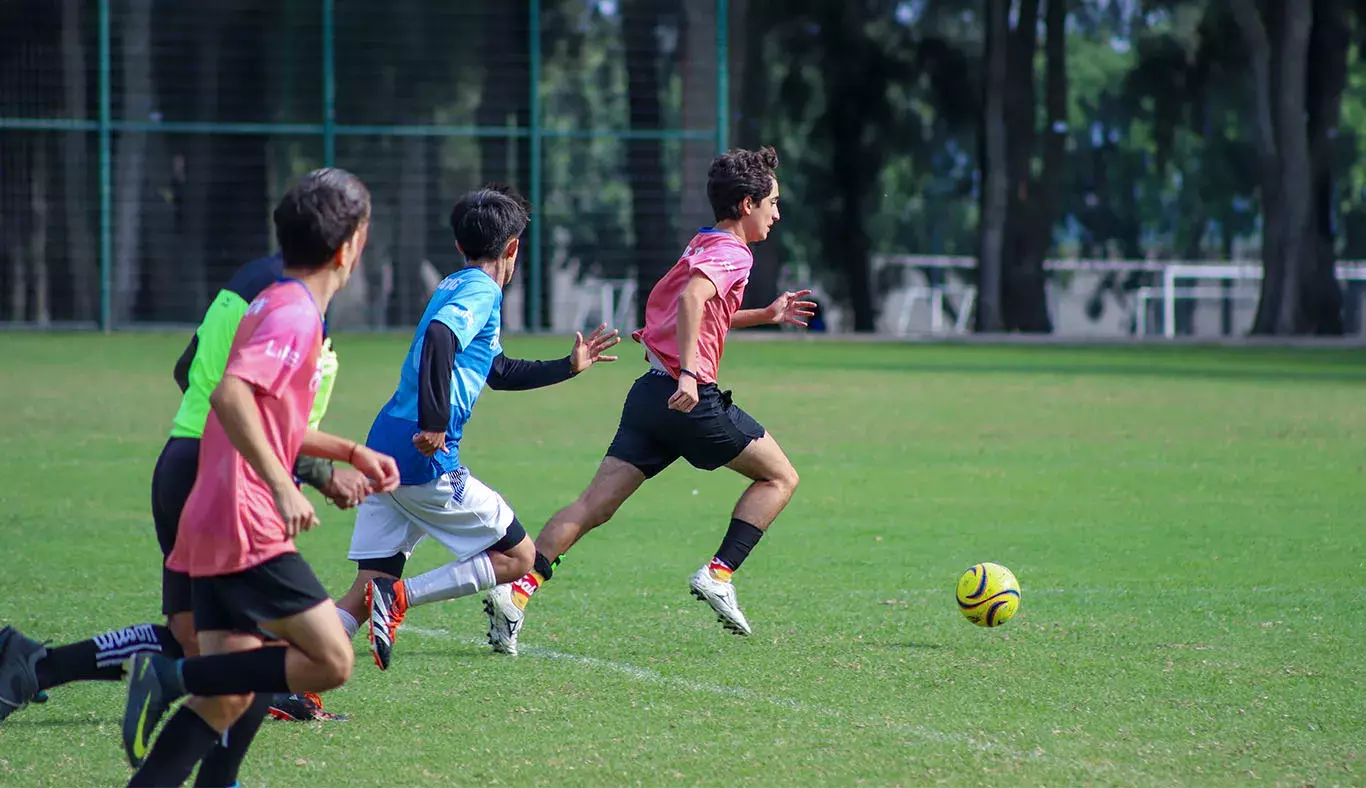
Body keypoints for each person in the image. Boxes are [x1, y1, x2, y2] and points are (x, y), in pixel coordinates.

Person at [0, 252, 367, 731]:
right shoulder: (291, 299)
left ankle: (36, 665)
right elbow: (254, 409)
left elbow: (188, 367)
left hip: (189, 461)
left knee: (194, 633)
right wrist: (319, 473)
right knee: (237, 631)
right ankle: (264, 692)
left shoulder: (252, 279)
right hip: (223, 477)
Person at [121, 168, 400, 787]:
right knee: (331, 658)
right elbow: (231, 393)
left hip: (214, 517)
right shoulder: (295, 314)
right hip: (244, 521)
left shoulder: (273, 300)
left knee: (228, 697)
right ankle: (171, 674)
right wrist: (279, 483)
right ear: (349, 246)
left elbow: (273, 417)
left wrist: (351, 452)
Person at [484, 147, 815, 656]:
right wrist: (688, 374)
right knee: (780, 477)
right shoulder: (733, 251)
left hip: (650, 394)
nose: (777, 213)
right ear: (747, 204)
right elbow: (690, 302)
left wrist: (764, 314)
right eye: (773, 202)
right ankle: (719, 573)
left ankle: (517, 592)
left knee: (593, 506)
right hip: (688, 397)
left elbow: (704, 309)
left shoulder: (704, 243)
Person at [332, 184, 620, 671]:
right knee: (519, 556)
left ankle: (293, 681)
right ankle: (399, 597)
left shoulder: (456, 284)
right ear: (512, 248)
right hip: (422, 454)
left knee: (364, 590)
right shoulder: (481, 290)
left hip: (385, 443)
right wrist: (435, 423)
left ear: (461, 246)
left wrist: (567, 367)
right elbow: (440, 340)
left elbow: (498, 370)